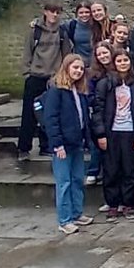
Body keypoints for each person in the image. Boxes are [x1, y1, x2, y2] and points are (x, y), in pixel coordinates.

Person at [91, 46, 134, 221]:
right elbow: (98, 111)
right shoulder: (105, 83)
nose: (123, 63)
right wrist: (100, 134)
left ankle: (128, 203)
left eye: (125, 60)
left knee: (129, 169)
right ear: (114, 63)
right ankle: (113, 204)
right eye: (119, 61)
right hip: (111, 132)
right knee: (111, 170)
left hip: (130, 131)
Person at [42, 53, 93, 234]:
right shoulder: (56, 90)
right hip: (62, 145)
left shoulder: (78, 90)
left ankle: (77, 213)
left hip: (76, 142)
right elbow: (51, 119)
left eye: (81, 68)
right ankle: (64, 220)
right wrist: (57, 144)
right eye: (75, 67)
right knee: (63, 183)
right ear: (66, 68)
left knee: (77, 179)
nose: (78, 71)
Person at [18, 1, 71, 162]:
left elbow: (66, 54)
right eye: (52, 12)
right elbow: (27, 52)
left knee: (50, 114)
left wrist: (61, 75)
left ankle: (46, 146)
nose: (54, 15)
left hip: (53, 79)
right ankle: (23, 148)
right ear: (45, 12)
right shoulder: (35, 31)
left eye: (57, 12)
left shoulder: (62, 32)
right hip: (35, 76)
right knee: (29, 113)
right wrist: (27, 73)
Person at [85, 41, 115, 186]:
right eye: (99, 54)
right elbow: (88, 95)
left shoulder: (118, 68)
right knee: (97, 143)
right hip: (100, 112)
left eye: (105, 52)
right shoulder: (92, 74)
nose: (103, 56)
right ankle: (93, 170)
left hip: (118, 113)